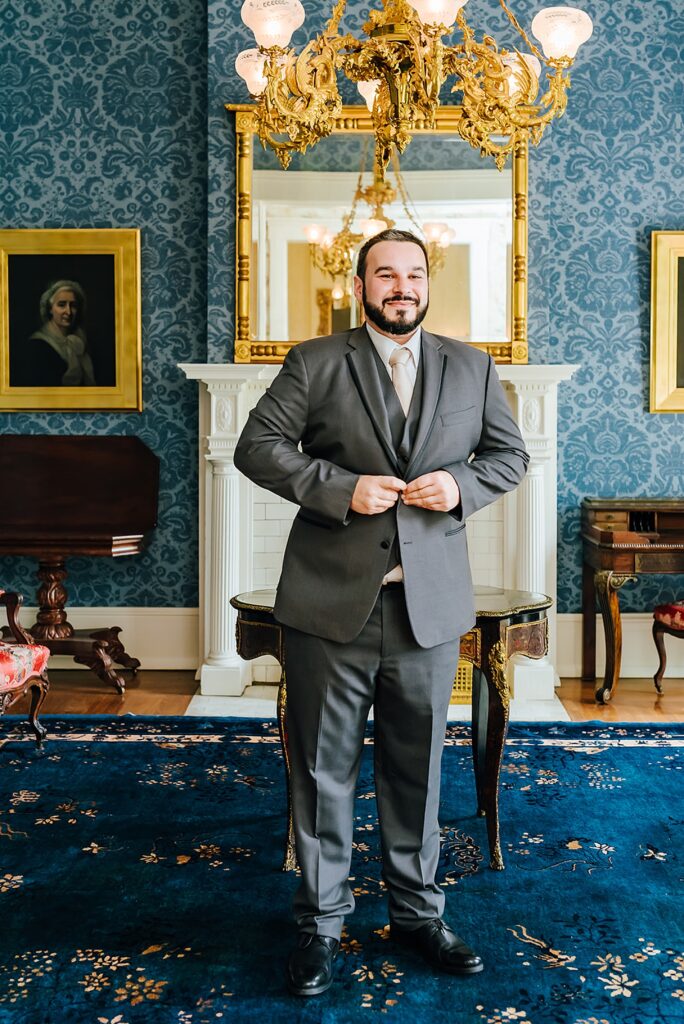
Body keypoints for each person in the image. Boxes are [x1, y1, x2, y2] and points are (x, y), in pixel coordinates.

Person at [234, 228, 529, 997]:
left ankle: (416, 914)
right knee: (325, 770)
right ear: (359, 285)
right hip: (329, 606)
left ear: (429, 283)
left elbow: (510, 457)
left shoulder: (473, 365)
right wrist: (338, 487)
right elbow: (257, 445)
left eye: (413, 273)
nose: (401, 285)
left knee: (417, 770)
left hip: (429, 607)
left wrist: (462, 485)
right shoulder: (315, 361)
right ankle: (320, 923)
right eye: (385, 274)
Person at [13, 279, 96, 387]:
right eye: (62, 305)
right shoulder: (37, 345)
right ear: (50, 309)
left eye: (73, 305)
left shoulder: (80, 341)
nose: (69, 311)